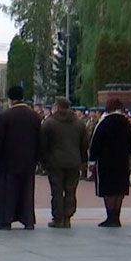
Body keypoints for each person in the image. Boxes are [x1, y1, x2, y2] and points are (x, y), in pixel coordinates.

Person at [0, 86, 42, 230]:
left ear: (10, 99)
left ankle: (5, 220)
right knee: (27, 191)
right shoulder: (34, 116)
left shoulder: (5, 116)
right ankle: (28, 220)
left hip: (8, 161)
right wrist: (37, 158)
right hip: (28, 160)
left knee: (7, 192)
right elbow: (39, 140)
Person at [39, 97, 89, 228]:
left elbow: (43, 144)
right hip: (74, 161)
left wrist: (43, 161)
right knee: (71, 190)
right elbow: (84, 144)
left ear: (57, 106)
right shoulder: (79, 123)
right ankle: (68, 216)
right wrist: (83, 160)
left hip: (55, 162)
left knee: (56, 191)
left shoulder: (49, 123)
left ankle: (58, 217)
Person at [88, 97, 131, 227]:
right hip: (122, 160)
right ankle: (117, 216)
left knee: (108, 188)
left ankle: (110, 216)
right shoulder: (126, 123)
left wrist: (92, 160)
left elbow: (95, 142)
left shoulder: (104, 123)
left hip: (106, 160)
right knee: (119, 188)